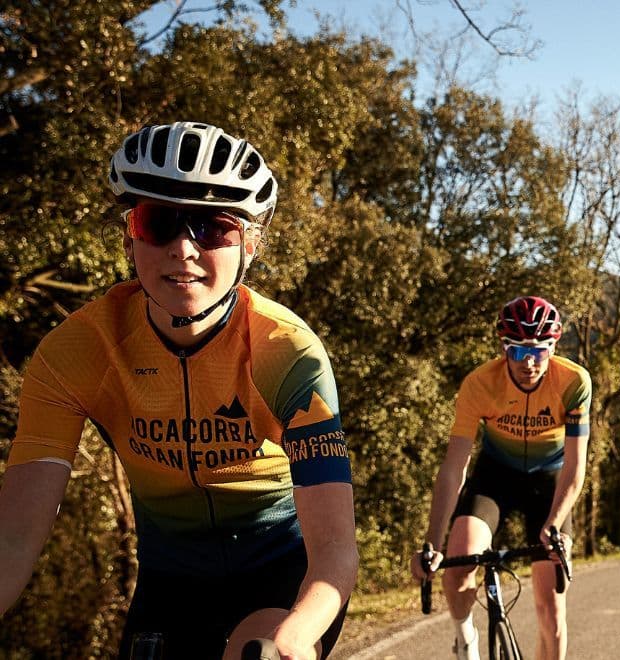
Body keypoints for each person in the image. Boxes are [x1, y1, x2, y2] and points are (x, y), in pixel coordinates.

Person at [0, 122, 357, 660]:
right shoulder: (76, 352)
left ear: (251, 246)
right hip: (169, 584)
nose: (183, 249)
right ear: (130, 235)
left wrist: (298, 633)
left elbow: (333, 547)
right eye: (158, 222)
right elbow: (13, 539)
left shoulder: (287, 352)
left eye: (213, 229)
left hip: (282, 574)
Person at [411, 296, 591, 660]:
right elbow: (454, 467)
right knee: (460, 563)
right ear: (502, 347)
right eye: (517, 350)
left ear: (554, 346)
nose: (529, 362)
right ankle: (466, 641)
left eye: (540, 350)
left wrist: (555, 524)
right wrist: (433, 542)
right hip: (496, 477)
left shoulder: (573, 382)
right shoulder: (479, 383)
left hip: (548, 481)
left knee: (552, 609)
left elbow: (575, 466)